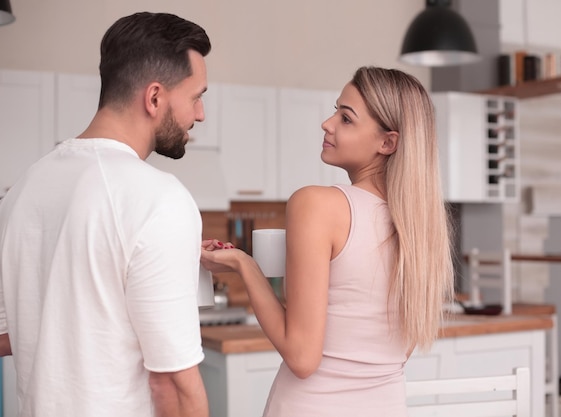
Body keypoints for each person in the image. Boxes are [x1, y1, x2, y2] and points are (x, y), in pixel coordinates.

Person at [201, 66, 454, 416]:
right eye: (336, 110)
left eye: (346, 118)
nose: (328, 123)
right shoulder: (422, 229)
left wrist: (244, 264)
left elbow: (302, 358)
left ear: (387, 142)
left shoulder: (316, 204)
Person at [0, 12, 212, 417]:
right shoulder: (160, 199)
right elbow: (172, 383)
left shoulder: (23, 189)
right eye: (196, 96)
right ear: (154, 98)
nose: (199, 114)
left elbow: (8, 334)